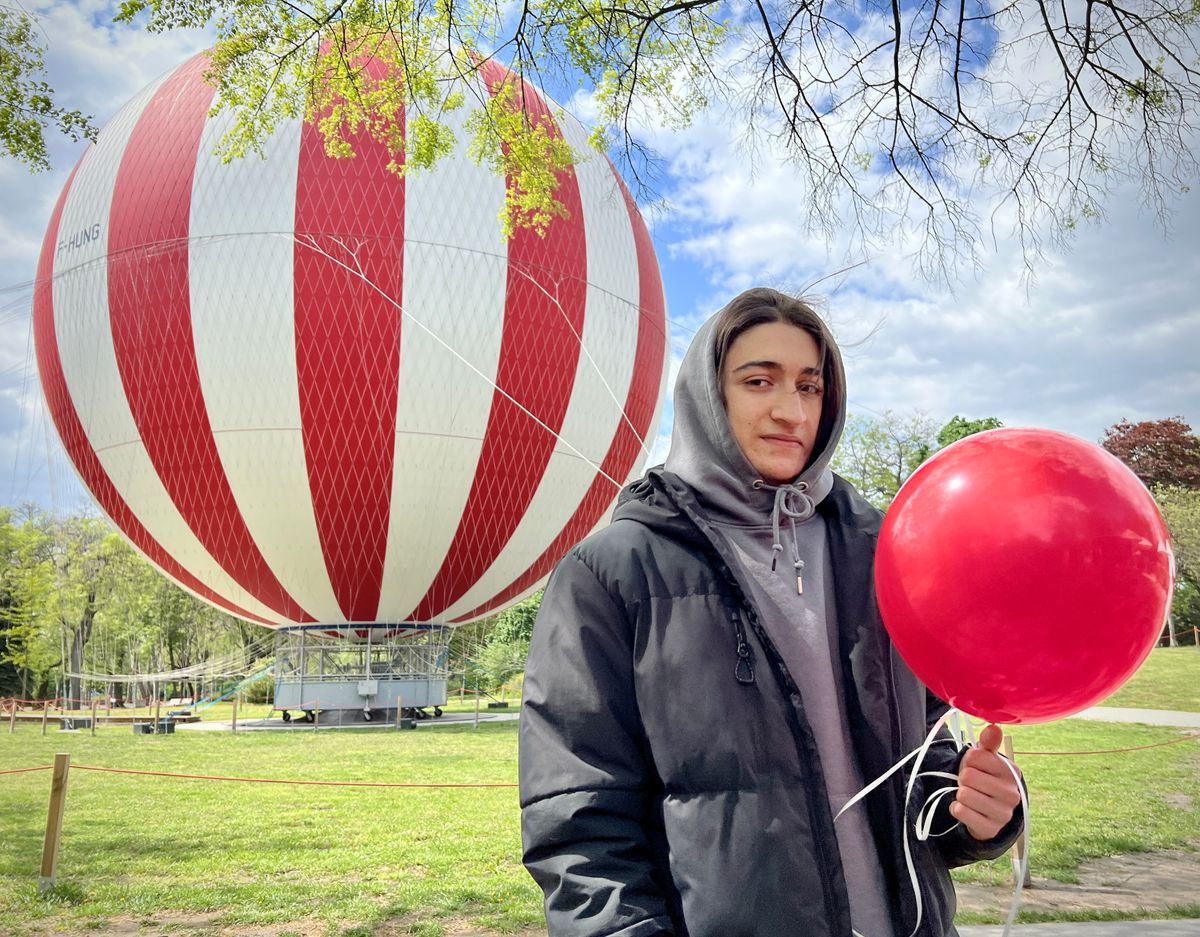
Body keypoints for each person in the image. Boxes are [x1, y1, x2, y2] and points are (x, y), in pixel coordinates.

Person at [519, 287, 1024, 937]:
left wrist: (971, 808)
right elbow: (579, 821)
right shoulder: (613, 571)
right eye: (760, 381)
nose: (792, 410)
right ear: (708, 394)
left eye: (810, 386)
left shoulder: (886, 554)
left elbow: (923, 755)